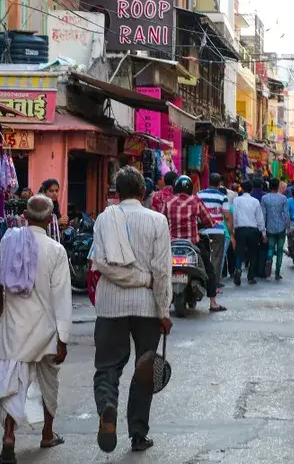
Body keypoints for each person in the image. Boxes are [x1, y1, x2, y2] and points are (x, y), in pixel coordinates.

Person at [92, 167, 173, 454]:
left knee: (107, 367)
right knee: (144, 370)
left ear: (117, 192)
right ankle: (138, 434)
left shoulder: (104, 219)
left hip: (111, 305)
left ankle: (107, 407)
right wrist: (163, 309)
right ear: (143, 192)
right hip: (147, 306)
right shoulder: (157, 220)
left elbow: (100, 263)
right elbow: (162, 271)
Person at [0, 194, 73, 464]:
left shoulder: (8, 241)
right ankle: (47, 433)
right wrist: (64, 338)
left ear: (24, 215)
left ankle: (9, 436)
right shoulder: (56, 250)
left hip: (14, 324)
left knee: (12, 380)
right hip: (45, 328)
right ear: (50, 220)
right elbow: (62, 298)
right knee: (49, 381)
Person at [162, 176, 226, 313]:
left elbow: (160, 219)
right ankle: (213, 302)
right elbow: (207, 220)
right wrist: (212, 223)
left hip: (171, 244)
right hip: (192, 243)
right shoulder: (195, 201)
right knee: (209, 270)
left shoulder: (168, 201)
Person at [198, 173, 234, 295]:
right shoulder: (222, 197)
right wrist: (231, 234)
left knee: (203, 257)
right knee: (216, 259)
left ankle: (201, 283)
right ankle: (214, 286)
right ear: (220, 184)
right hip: (218, 231)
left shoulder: (199, 195)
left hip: (202, 231)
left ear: (208, 181)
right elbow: (227, 216)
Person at [231, 180, 266, 285]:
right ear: (251, 190)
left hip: (240, 229)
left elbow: (234, 215)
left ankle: (238, 269)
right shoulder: (255, 201)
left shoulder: (236, 200)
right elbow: (259, 218)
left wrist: (233, 230)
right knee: (253, 253)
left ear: (242, 188)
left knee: (239, 252)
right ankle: (250, 276)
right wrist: (263, 233)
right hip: (253, 230)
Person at [260, 178, 290, 281]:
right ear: (278, 186)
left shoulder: (264, 198)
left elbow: (263, 215)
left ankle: (269, 260)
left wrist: (262, 229)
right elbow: (286, 214)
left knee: (271, 248)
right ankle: (277, 273)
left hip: (269, 227)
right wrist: (288, 226)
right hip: (281, 227)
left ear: (269, 186)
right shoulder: (283, 198)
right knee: (280, 250)